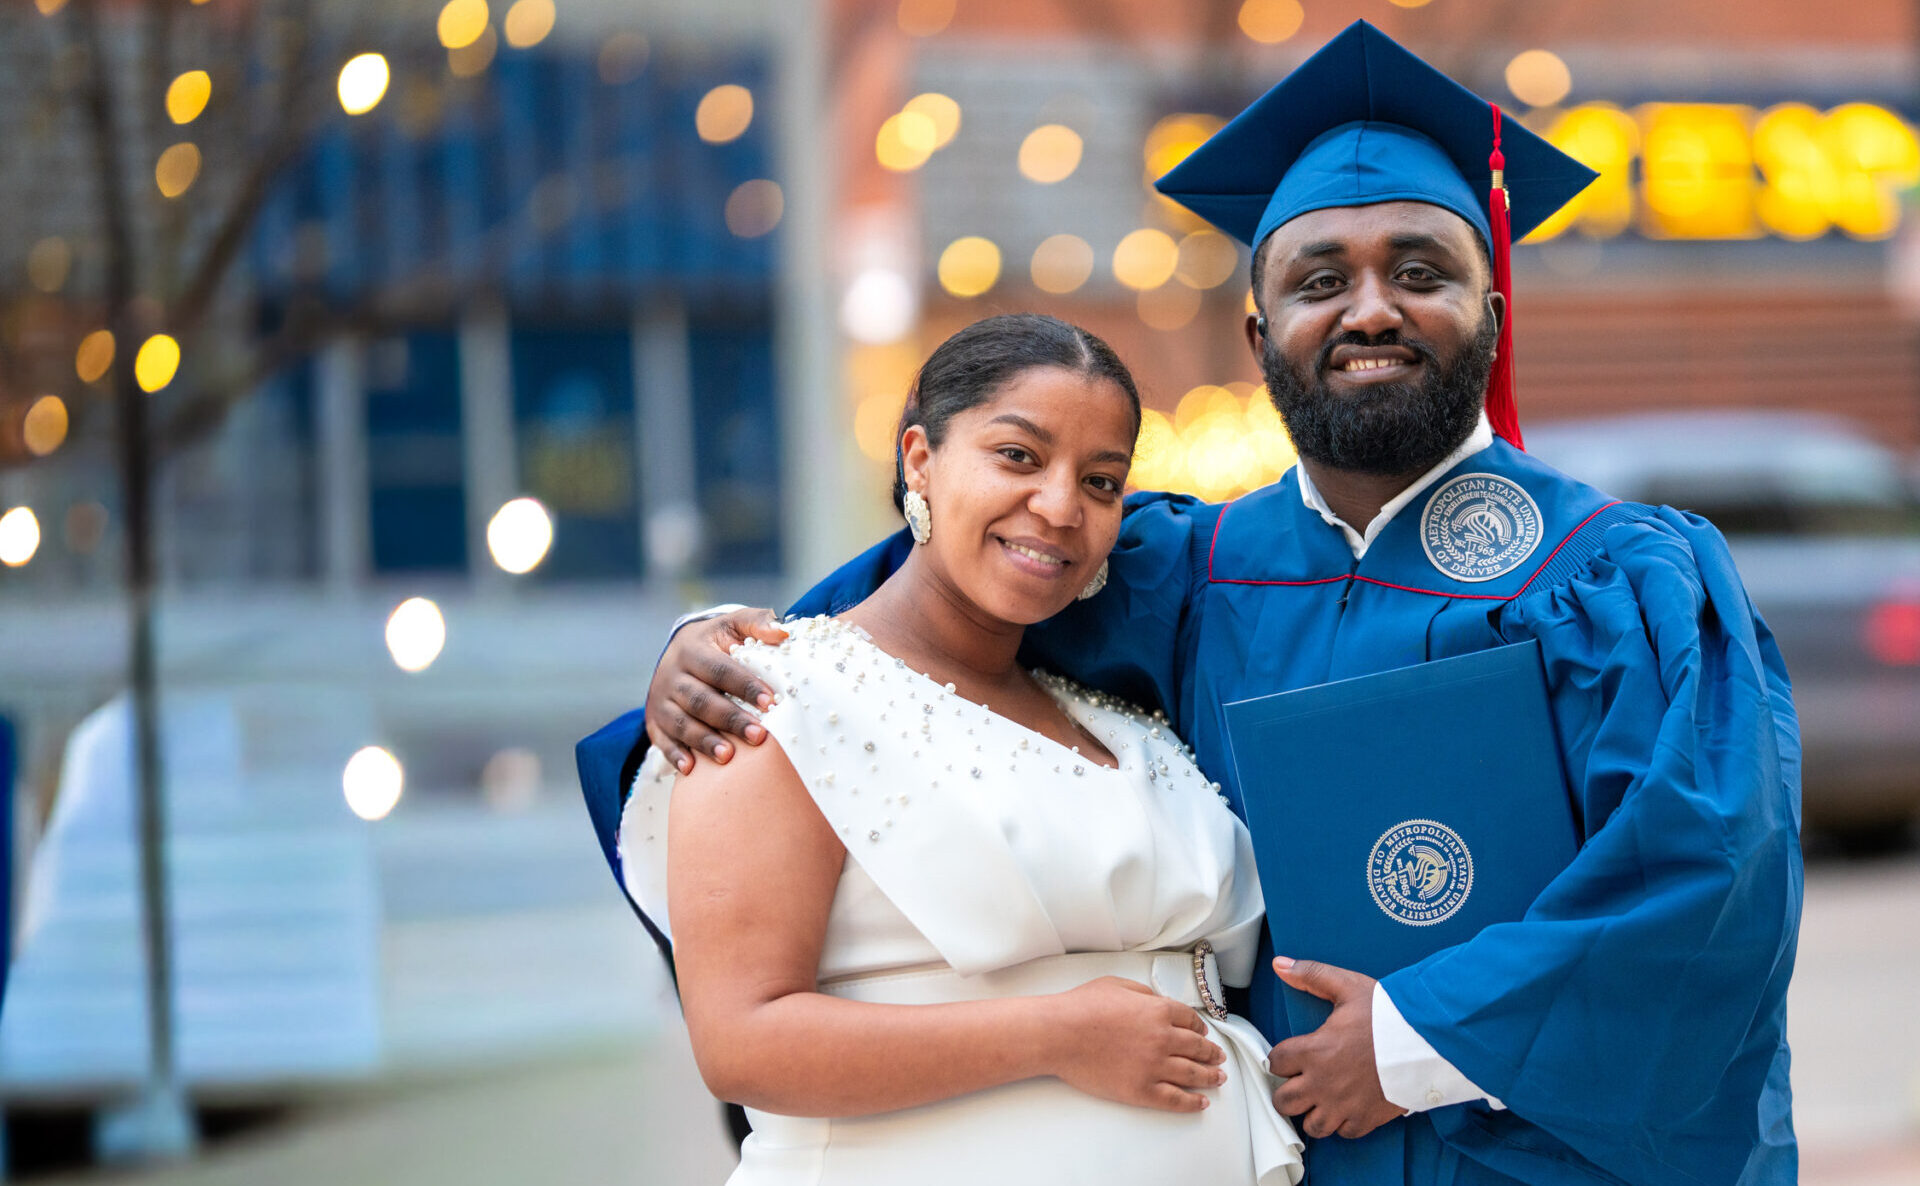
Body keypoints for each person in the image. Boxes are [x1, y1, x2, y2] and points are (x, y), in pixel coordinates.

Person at [585, 21, 1803, 1186]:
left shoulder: (1623, 578)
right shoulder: (1179, 571)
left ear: (1491, 313)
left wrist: (1411, 1044)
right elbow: (927, 613)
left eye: (1419, 271)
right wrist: (718, 648)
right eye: (1321, 278)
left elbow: (1705, 882)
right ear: (1259, 329)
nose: (1369, 307)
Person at [613, 313, 1303, 1185]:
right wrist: (1056, 1036)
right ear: (920, 460)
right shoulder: (766, 696)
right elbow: (742, 1040)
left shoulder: (1113, 709)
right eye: (1017, 456)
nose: (1059, 506)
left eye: (1100, 480)